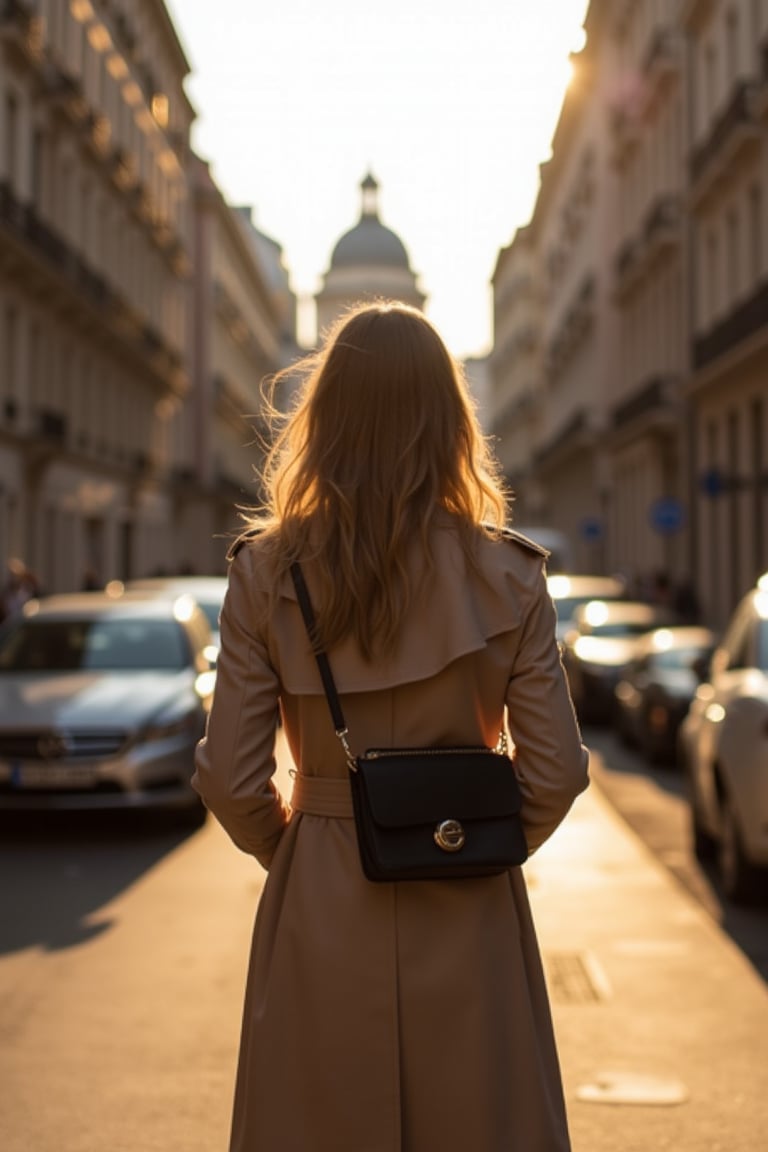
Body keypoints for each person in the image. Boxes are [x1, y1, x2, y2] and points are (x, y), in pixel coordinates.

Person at [193, 301, 589, 1152]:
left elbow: (229, 777)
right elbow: (555, 773)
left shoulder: (264, 572)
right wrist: (465, 834)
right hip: (468, 892)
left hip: (322, 899)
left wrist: (309, 842)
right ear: (451, 421)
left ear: (323, 419)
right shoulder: (509, 574)